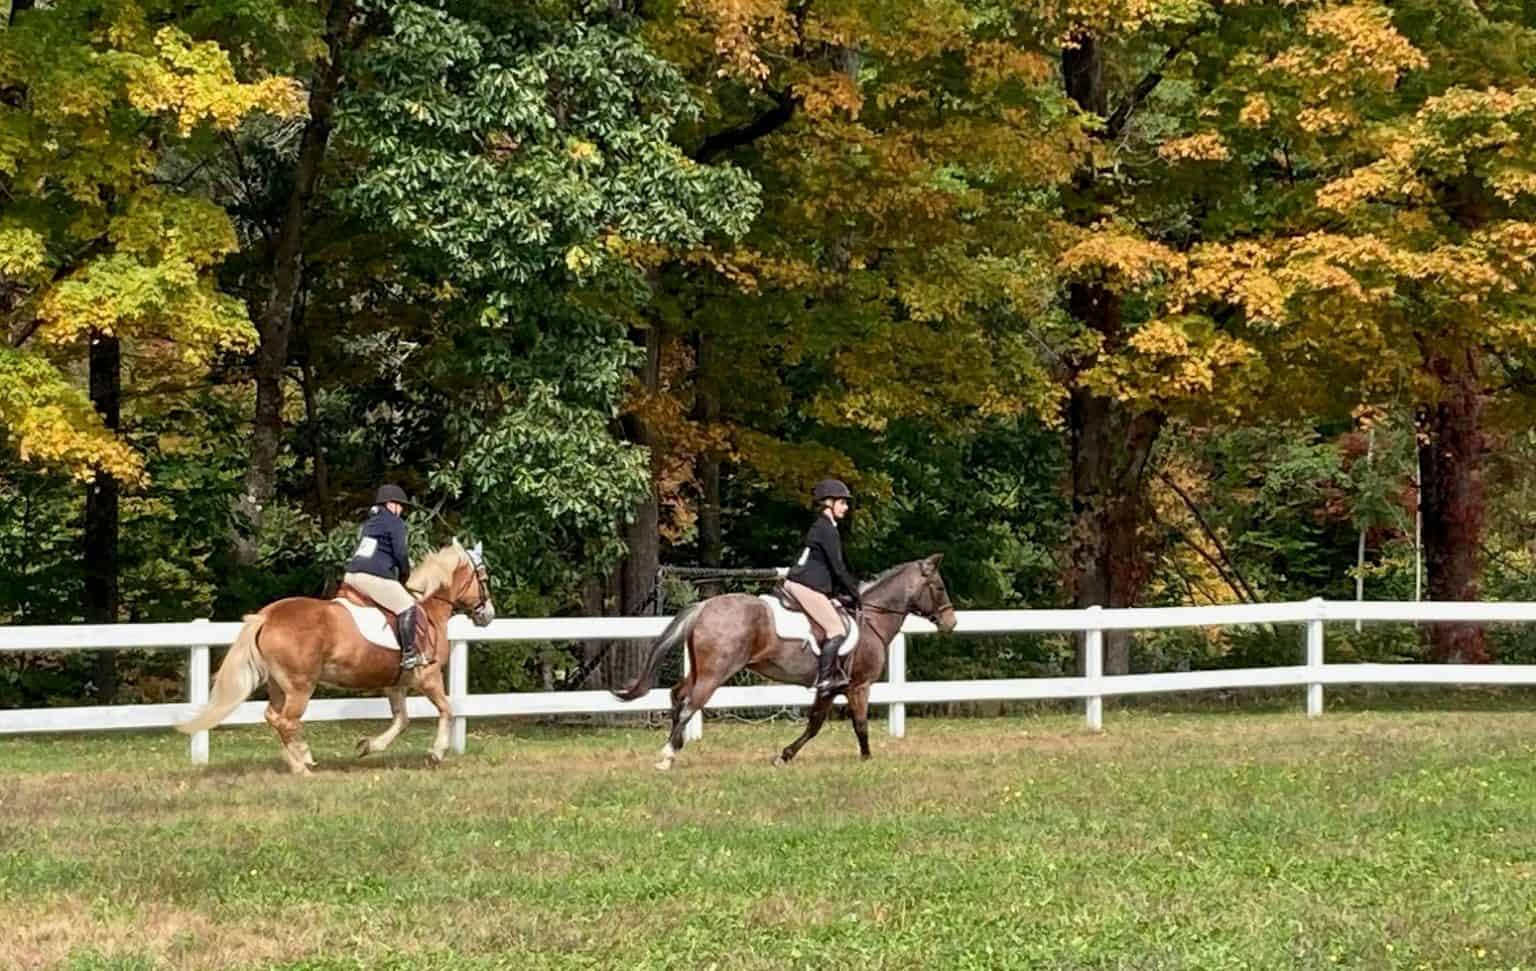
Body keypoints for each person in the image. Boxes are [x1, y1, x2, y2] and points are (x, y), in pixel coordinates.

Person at [784, 477, 861, 697]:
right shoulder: (826, 529)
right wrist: (855, 593)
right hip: (805, 586)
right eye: (843, 503)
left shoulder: (823, 526)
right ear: (829, 502)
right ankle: (824, 679)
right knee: (836, 629)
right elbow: (838, 568)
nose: (846, 508)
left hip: (806, 583)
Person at [342, 484, 425, 670]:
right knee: (408, 606)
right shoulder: (395, 523)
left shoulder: (370, 522)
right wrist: (404, 575)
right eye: (400, 505)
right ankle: (409, 654)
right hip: (372, 576)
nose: (402, 510)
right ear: (391, 504)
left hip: (351, 576)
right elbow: (401, 554)